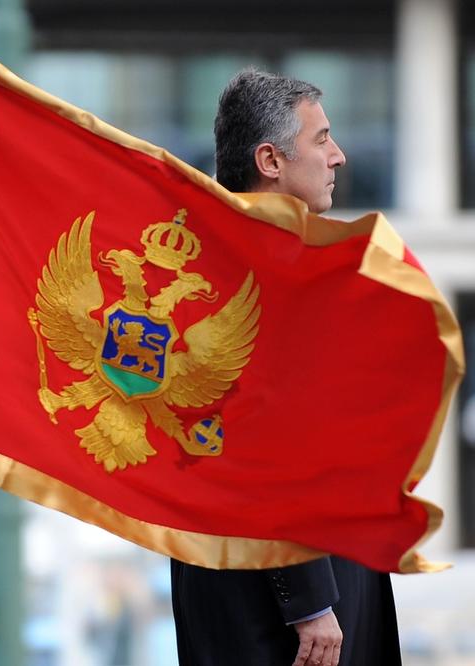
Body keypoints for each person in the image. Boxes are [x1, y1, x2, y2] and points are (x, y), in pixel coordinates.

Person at [170, 68, 401, 666]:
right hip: (279, 613)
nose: (339, 156)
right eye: (321, 138)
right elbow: (260, 443)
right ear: (270, 159)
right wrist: (308, 602)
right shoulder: (249, 271)